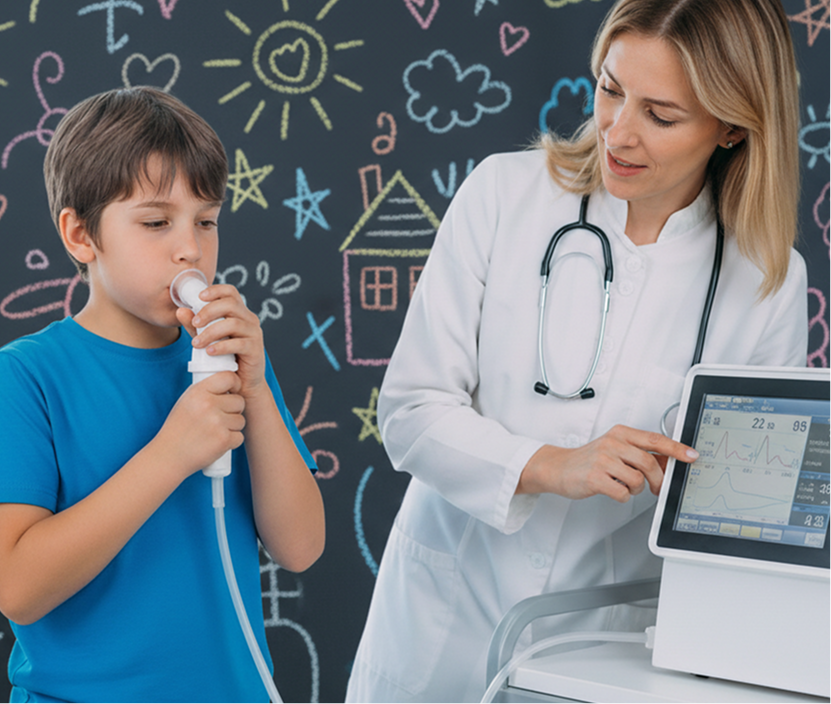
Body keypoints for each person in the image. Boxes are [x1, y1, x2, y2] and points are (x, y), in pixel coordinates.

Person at [345, 0, 807, 701]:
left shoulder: (767, 279)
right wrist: (554, 465)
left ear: (731, 127)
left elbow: (751, 515)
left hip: (602, 649)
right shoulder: (503, 195)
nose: (616, 132)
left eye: (660, 115)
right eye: (610, 89)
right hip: (442, 624)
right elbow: (410, 411)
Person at [0, 86, 325, 704]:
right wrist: (170, 454)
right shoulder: (27, 375)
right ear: (81, 237)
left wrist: (257, 388)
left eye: (206, 221)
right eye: (157, 222)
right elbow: (19, 587)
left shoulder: (227, 365)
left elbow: (300, 547)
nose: (191, 248)